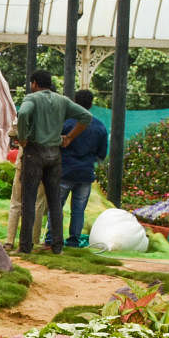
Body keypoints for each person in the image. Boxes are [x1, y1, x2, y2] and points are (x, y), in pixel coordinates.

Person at [16, 69, 93, 254]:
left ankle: (25, 246)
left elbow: (23, 114)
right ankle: (57, 246)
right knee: (54, 202)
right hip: (55, 154)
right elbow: (86, 117)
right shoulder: (62, 100)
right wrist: (69, 137)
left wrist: (23, 137)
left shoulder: (31, 99)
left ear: (34, 83)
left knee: (29, 199)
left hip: (34, 152)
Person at [57, 88, 108, 248]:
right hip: (86, 173)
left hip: (65, 171)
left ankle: (52, 239)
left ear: (73, 102)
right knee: (78, 210)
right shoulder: (100, 126)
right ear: (91, 104)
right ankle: (73, 240)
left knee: (56, 207)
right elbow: (102, 154)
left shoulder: (65, 123)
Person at [5, 121, 46, 252]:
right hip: (43, 165)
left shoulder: (26, 114)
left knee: (16, 203)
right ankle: (34, 240)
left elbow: (12, 133)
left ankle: (9, 241)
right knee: (38, 204)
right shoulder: (52, 117)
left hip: (24, 164)